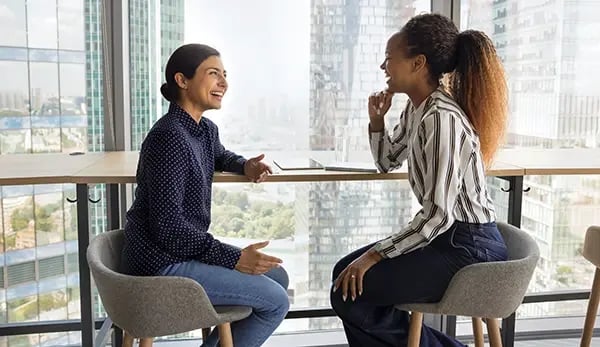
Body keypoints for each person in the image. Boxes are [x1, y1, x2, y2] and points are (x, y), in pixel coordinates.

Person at [330, 13, 509, 347]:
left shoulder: (441, 119)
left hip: (468, 246)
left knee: (349, 289)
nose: (384, 67)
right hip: (446, 237)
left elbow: (438, 215)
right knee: (344, 276)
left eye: (389, 59)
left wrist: (374, 256)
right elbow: (387, 161)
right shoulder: (417, 109)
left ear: (418, 64)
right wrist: (376, 122)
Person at [121, 43, 289, 347]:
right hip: (160, 263)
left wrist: (245, 165)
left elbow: (220, 155)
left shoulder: (203, 129)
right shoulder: (169, 137)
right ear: (182, 80)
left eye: (225, 75)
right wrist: (235, 257)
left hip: (179, 252)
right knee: (277, 300)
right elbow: (169, 229)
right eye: (214, 74)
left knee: (279, 277)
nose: (224, 83)